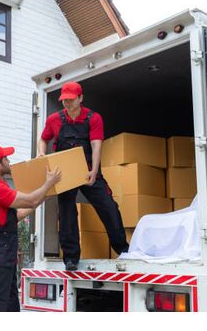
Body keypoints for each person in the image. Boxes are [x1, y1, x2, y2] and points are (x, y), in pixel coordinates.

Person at [38, 81, 129, 271]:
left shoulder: (93, 118)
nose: (67, 104)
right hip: (65, 173)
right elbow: (44, 138)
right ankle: (71, 258)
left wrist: (95, 170)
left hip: (88, 169)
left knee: (108, 206)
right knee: (67, 212)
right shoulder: (54, 119)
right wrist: (41, 153)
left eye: (71, 100)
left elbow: (96, 145)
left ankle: (123, 250)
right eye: (64, 100)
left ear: (80, 98)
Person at [0, 144, 61, 312]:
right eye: (6, 158)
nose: (10, 161)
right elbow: (30, 200)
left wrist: (44, 195)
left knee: (10, 307)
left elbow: (17, 215)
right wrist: (48, 183)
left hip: (3, 257)